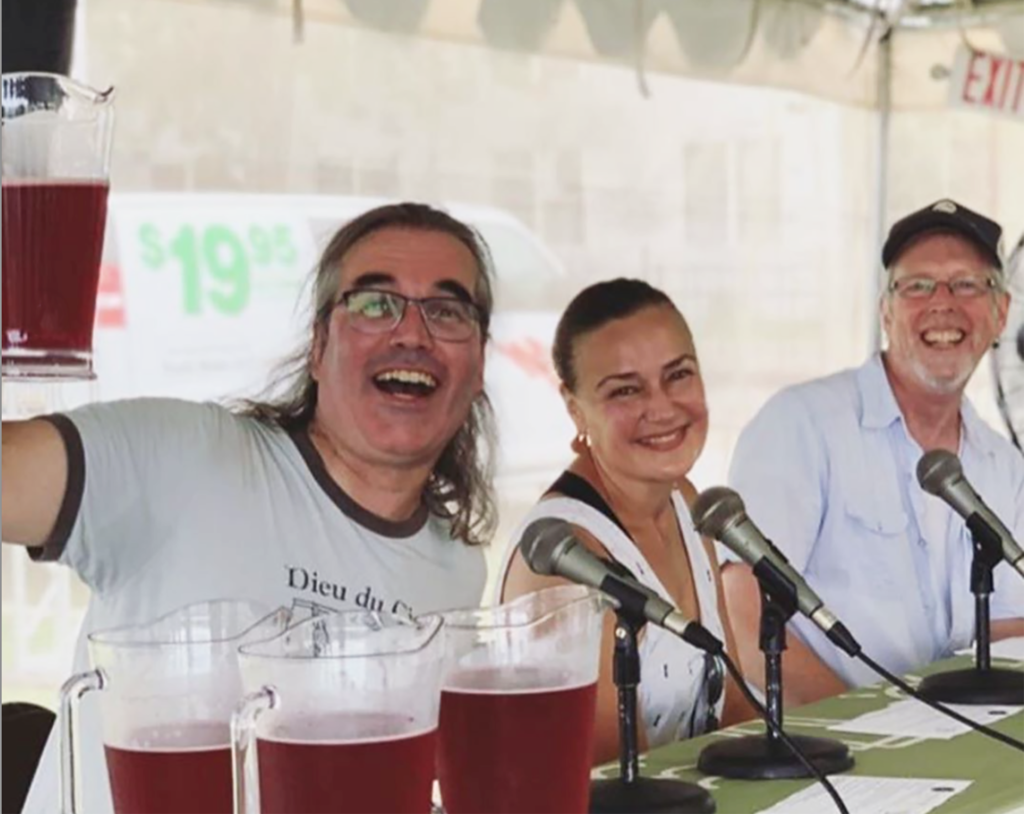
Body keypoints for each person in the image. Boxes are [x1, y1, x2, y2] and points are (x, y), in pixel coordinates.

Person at [2, 201, 498, 814]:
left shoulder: (455, 569)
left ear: (478, 366)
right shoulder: (183, 459)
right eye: (374, 303)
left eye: (448, 312)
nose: (412, 333)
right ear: (318, 347)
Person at [723, 199, 1024, 704]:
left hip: (954, 743)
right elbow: (742, 608)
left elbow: (1008, 630)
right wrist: (858, 720)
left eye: (968, 284)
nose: (942, 303)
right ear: (886, 311)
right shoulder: (802, 424)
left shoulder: (1005, 467)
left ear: (1001, 315)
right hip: (820, 750)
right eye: (917, 285)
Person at [499, 279, 752, 765]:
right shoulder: (565, 557)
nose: (661, 408)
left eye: (678, 375)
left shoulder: (685, 499)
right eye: (626, 390)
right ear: (575, 409)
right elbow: (606, 779)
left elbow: (736, 709)